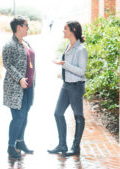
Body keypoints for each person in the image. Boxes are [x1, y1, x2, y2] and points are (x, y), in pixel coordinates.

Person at [48, 21, 88, 157]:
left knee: (78, 116)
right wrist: (62, 64)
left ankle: (75, 147)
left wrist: (64, 64)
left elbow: (81, 71)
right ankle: (62, 145)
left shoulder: (81, 50)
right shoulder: (68, 46)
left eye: (65, 29)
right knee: (58, 113)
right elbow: (68, 64)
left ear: (73, 30)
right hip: (66, 85)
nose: (63, 31)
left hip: (76, 86)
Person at [2, 16, 35, 159]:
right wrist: (20, 78)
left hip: (29, 87)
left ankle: (20, 142)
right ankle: (10, 146)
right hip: (16, 87)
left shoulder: (26, 43)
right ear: (19, 27)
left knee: (25, 116)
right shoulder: (9, 45)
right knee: (18, 117)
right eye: (26, 25)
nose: (28, 28)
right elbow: (7, 64)